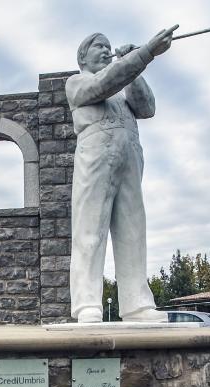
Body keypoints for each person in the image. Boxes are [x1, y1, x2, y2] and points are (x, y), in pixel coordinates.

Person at [66, 27, 178, 323]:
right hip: (96, 154)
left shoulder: (121, 92)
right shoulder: (77, 82)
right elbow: (104, 84)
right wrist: (144, 54)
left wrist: (134, 64)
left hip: (129, 155)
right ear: (83, 56)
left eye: (109, 47)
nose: (106, 50)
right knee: (90, 228)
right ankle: (86, 303)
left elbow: (147, 107)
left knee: (132, 229)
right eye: (99, 46)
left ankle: (137, 303)